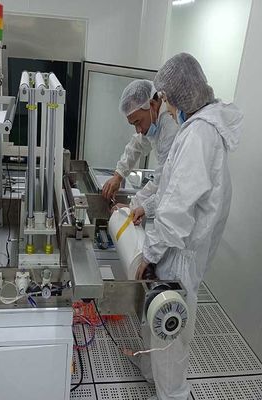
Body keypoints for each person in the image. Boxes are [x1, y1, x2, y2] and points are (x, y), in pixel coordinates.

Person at [134, 53, 242, 400]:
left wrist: (148, 254)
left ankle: (173, 394)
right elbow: (173, 189)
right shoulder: (198, 130)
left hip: (179, 255)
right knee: (159, 320)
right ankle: (152, 378)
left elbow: (177, 209)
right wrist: (147, 208)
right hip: (179, 250)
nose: (166, 108)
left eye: (166, 100)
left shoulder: (199, 135)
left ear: (181, 94)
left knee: (170, 332)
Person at [102, 80, 178, 224]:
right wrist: (118, 175)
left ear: (152, 105)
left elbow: (161, 182)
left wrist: (133, 206)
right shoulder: (155, 118)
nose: (138, 130)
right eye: (133, 124)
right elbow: (137, 143)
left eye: (138, 122)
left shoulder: (170, 127)